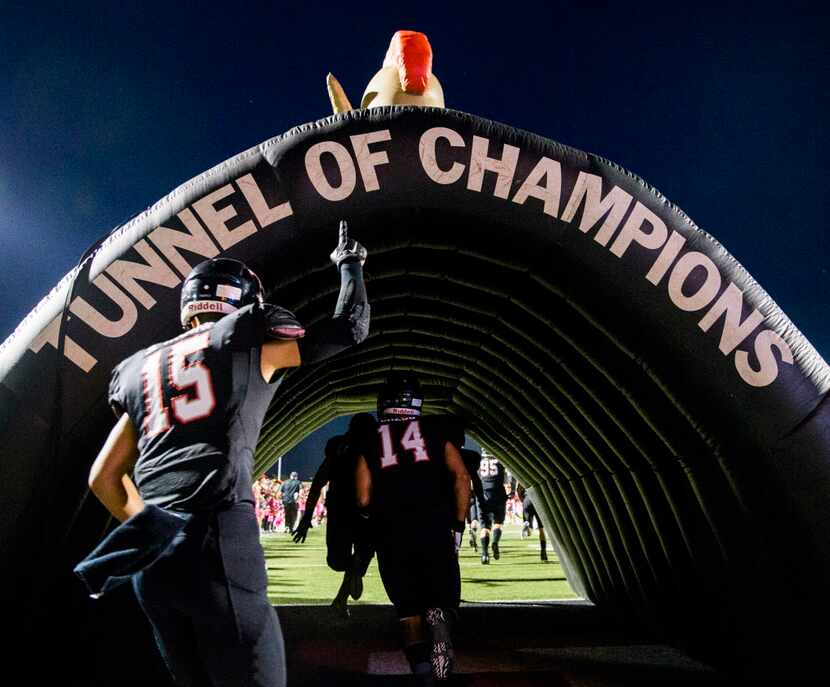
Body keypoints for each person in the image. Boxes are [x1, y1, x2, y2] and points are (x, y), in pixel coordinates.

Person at [74, 221, 369, 687]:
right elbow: (350, 328)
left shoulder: (140, 368)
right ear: (242, 300)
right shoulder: (246, 342)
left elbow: (103, 478)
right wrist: (350, 267)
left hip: (152, 564)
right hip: (219, 539)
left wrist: (151, 525)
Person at [356, 373, 471, 685]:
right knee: (441, 602)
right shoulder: (437, 430)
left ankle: (422, 673)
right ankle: (440, 638)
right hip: (435, 530)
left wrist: (371, 517)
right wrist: (457, 524)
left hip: (392, 535)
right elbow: (462, 478)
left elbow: (363, 494)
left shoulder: (371, 439)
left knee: (407, 610)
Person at [293, 413, 378, 616]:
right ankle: (352, 574)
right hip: (367, 509)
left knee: (337, 560)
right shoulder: (376, 448)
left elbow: (318, 483)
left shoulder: (338, 448)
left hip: (341, 508)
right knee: (356, 557)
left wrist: (306, 517)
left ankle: (341, 599)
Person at [476, 450, 508, 564]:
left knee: (485, 527)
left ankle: (484, 554)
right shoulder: (500, 460)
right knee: (498, 523)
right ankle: (495, 542)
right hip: (498, 493)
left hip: (484, 494)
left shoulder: (480, 462)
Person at [518, 484, 548, 561]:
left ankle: (527, 525)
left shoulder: (522, 477)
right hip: (538, 500)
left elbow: (518, 490)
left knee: (529, 531)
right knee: (541, 529)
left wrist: (523, 500)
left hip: (527, 500)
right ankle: (543, 551)